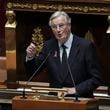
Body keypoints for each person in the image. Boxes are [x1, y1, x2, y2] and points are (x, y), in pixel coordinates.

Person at [25, 11, 102, 98]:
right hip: (55, 101)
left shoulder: (85, 46)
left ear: (69, 25)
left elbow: (96, 79)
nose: (58, 30)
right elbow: (32, 72)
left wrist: (75, 89)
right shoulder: (48, 46)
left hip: (79, 100)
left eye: (61, 26)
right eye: (54, 27)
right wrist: (30, 56)